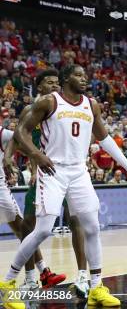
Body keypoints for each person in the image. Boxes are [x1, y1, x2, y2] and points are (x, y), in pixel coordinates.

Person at [0, 65, 127, 307]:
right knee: (43, 230)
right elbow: (20, 133)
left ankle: (96, 286)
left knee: (92, 226)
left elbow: (104, 138)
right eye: (78, 75)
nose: (84, 79)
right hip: (52, 170)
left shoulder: (91, 104)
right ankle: (8, 283)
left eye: (85, 75)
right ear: (66, 79)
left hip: (79, 172)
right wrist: (36, 155)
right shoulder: (49, 102)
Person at [3, 70, 72, 294]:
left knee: (79, 224)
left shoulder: (65, 108)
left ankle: (81, 276)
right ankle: (34, 276)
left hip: (65, 173)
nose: (54, 85)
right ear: (39, 87)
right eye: (49, 82)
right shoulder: (32, 109)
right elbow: (17, 137)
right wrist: (9, 158)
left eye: (57, 82)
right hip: (43, 174)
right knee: (27, 225)